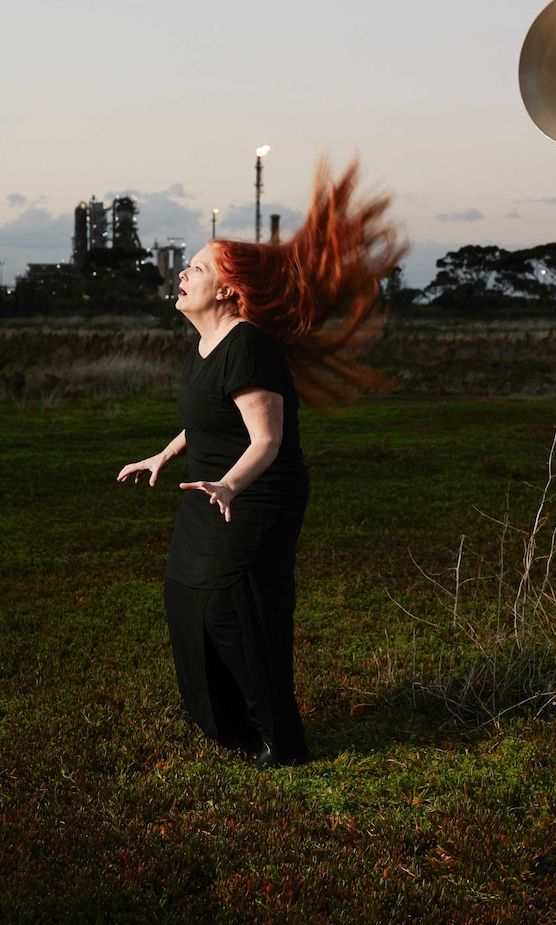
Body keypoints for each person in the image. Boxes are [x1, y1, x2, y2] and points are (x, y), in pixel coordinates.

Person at [117, 159, 405, 767]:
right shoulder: (207, 344)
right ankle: (236, 727)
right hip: (210, 490)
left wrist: (229, 484)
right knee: (185, 594)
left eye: (195, 267)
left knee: (234, 609)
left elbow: (266, 440)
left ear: (226, 289)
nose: (183, 274)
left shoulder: (249, 344)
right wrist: (164, 454)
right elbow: (209, 415)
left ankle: (279, 740)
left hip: (253, 493)